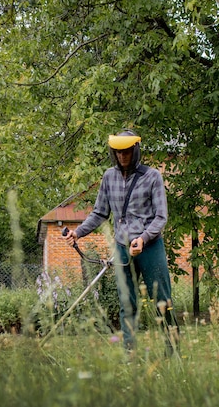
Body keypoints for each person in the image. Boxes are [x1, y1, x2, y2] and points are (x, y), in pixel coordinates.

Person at [63, 130, 178, 355]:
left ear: (135, 151)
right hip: (122, 247)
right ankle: (129, 352)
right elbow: (99, 213)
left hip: (150, 246)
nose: (122, 156)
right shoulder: (109, 177)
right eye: (118, 152)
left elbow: (161, 217)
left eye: (126, 152)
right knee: (127, 302)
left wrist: (143, 239)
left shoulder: (152, 176)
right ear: (113, 153)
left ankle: (172, 349)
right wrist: (78, 233)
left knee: (162, 299)